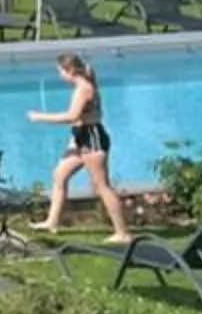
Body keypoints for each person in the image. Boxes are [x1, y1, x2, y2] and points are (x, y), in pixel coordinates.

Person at [29, 52, 132, 238]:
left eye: (60, 71)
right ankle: (52, 222)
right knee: (60, 175)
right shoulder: (80, 86)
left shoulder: (84, 88)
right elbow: (78, 122)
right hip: (81, 137)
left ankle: (122, 232)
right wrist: (74, 140)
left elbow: (72, 116)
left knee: (101, 185)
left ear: (69, 70)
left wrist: (40, 117)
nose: (60, 75)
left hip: (92, 138)